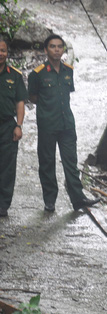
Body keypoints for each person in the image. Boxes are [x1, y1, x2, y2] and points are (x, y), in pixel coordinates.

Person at [28, 34, 99, 213]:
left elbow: (67, 94)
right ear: (46, 50)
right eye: (52, 46)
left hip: (67, 124)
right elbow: (34, 98)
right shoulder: (37, 74)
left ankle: (78, 198)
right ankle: (50, 200)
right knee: (47, 163)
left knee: (71, 162)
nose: (57, 49)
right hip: (47, 125)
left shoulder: (68, 70)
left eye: (60, 46)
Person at [0, 38, 27, 217]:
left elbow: (20, 102)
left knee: (7, 166)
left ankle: (2, 205)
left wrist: (18, 125)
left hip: (7, 126)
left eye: (2, 50)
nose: (0, 54)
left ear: (7, 53)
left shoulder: (14, 75)